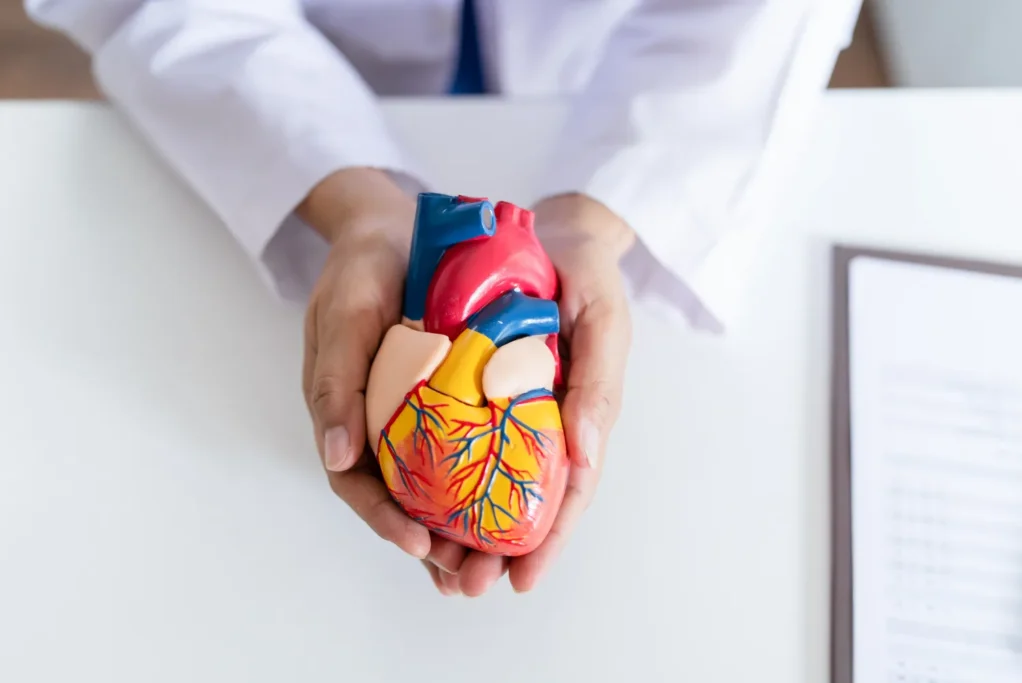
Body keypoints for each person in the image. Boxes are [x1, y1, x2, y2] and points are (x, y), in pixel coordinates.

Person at [27, 0, 863, 597]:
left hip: (600, 67)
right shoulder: (480, 349)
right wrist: (349, 201)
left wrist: (608, 212)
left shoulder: (472, 353)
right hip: (316, 57)